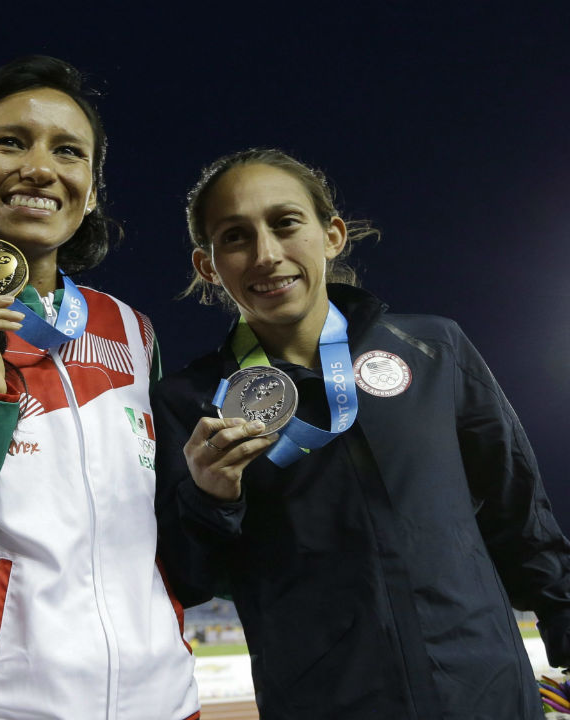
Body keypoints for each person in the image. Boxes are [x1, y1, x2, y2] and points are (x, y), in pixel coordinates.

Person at [152, 148, 570, 718]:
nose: (266, 254)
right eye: (235, 236)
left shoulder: (434, 349)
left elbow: (520, 514)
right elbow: (190, 580)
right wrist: (209, 499)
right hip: (327, 704)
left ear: (332, 235)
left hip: (485, 693)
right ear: (209, 266)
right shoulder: (191, 401)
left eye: (285, 223)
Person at [0, 56, 199, 720]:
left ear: (90, 190)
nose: (41, 167)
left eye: (68, 151)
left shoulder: (131, 331)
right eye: (10, 141)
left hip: (164, 700)